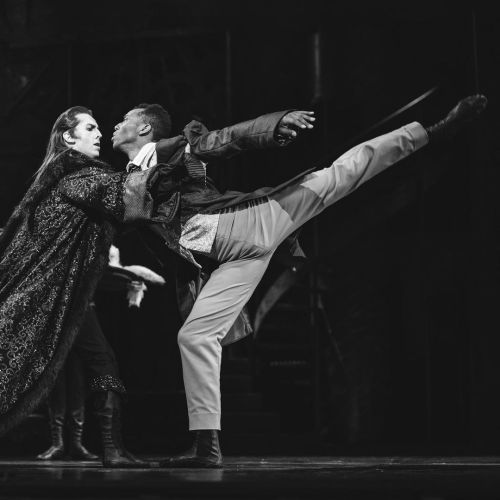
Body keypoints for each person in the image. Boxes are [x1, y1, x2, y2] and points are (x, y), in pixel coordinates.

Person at [113, 95, 487, 467]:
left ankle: (433, 131)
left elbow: (226, 139)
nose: (115, 126)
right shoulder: (127, 181)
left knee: (341, 174)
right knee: (194, 336)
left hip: (253, 221)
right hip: (235, 259)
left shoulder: (172, 148)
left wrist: (273, 125)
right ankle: (206, 447)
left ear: (144, 127)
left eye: (123, 119)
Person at [0, 106, 146, 468]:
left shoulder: (59, 179)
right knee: (95, 360)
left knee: (101, 359)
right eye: (90, 128)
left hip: (67, 298)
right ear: (68, 137)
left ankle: (113, 448)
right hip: (51, 298)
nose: (99, 135)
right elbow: (124, 194)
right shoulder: (76, 177)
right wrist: (164, 158)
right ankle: (113, 449)